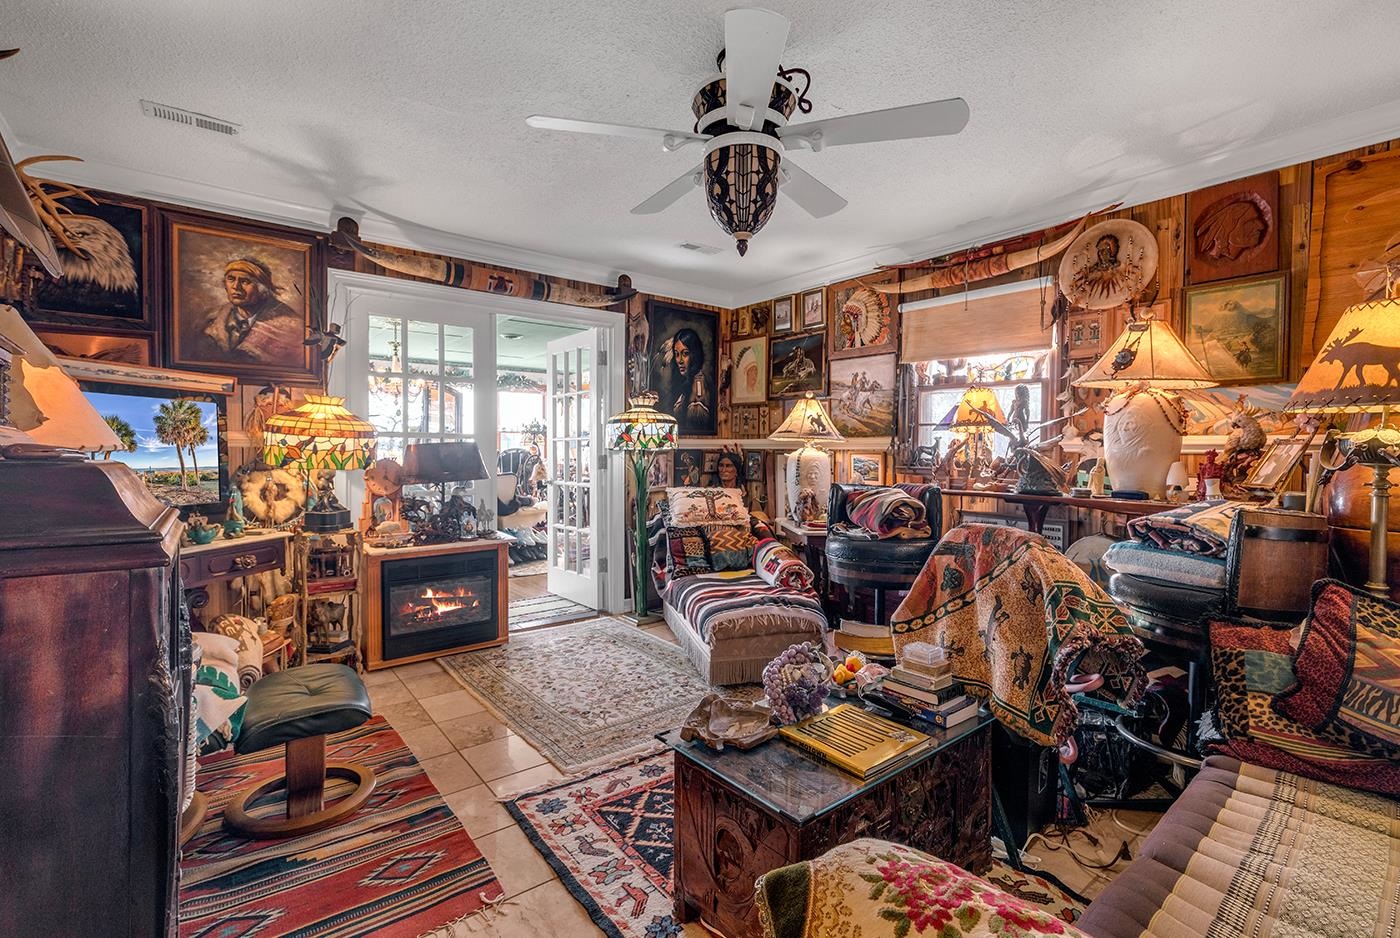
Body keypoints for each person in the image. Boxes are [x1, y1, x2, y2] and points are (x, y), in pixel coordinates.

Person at [192, 257, 303, 365]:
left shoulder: (292, 327)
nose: (236, 286)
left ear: (262, 289)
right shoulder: (211, 319)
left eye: (245, 281)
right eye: (231, 279)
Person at [655, 328, 714, 435]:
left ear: (695, 355)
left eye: (685, 353)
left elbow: (695, 431)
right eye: (677, 354)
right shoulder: (687, 384)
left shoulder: (698, 385)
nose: (680, 360)